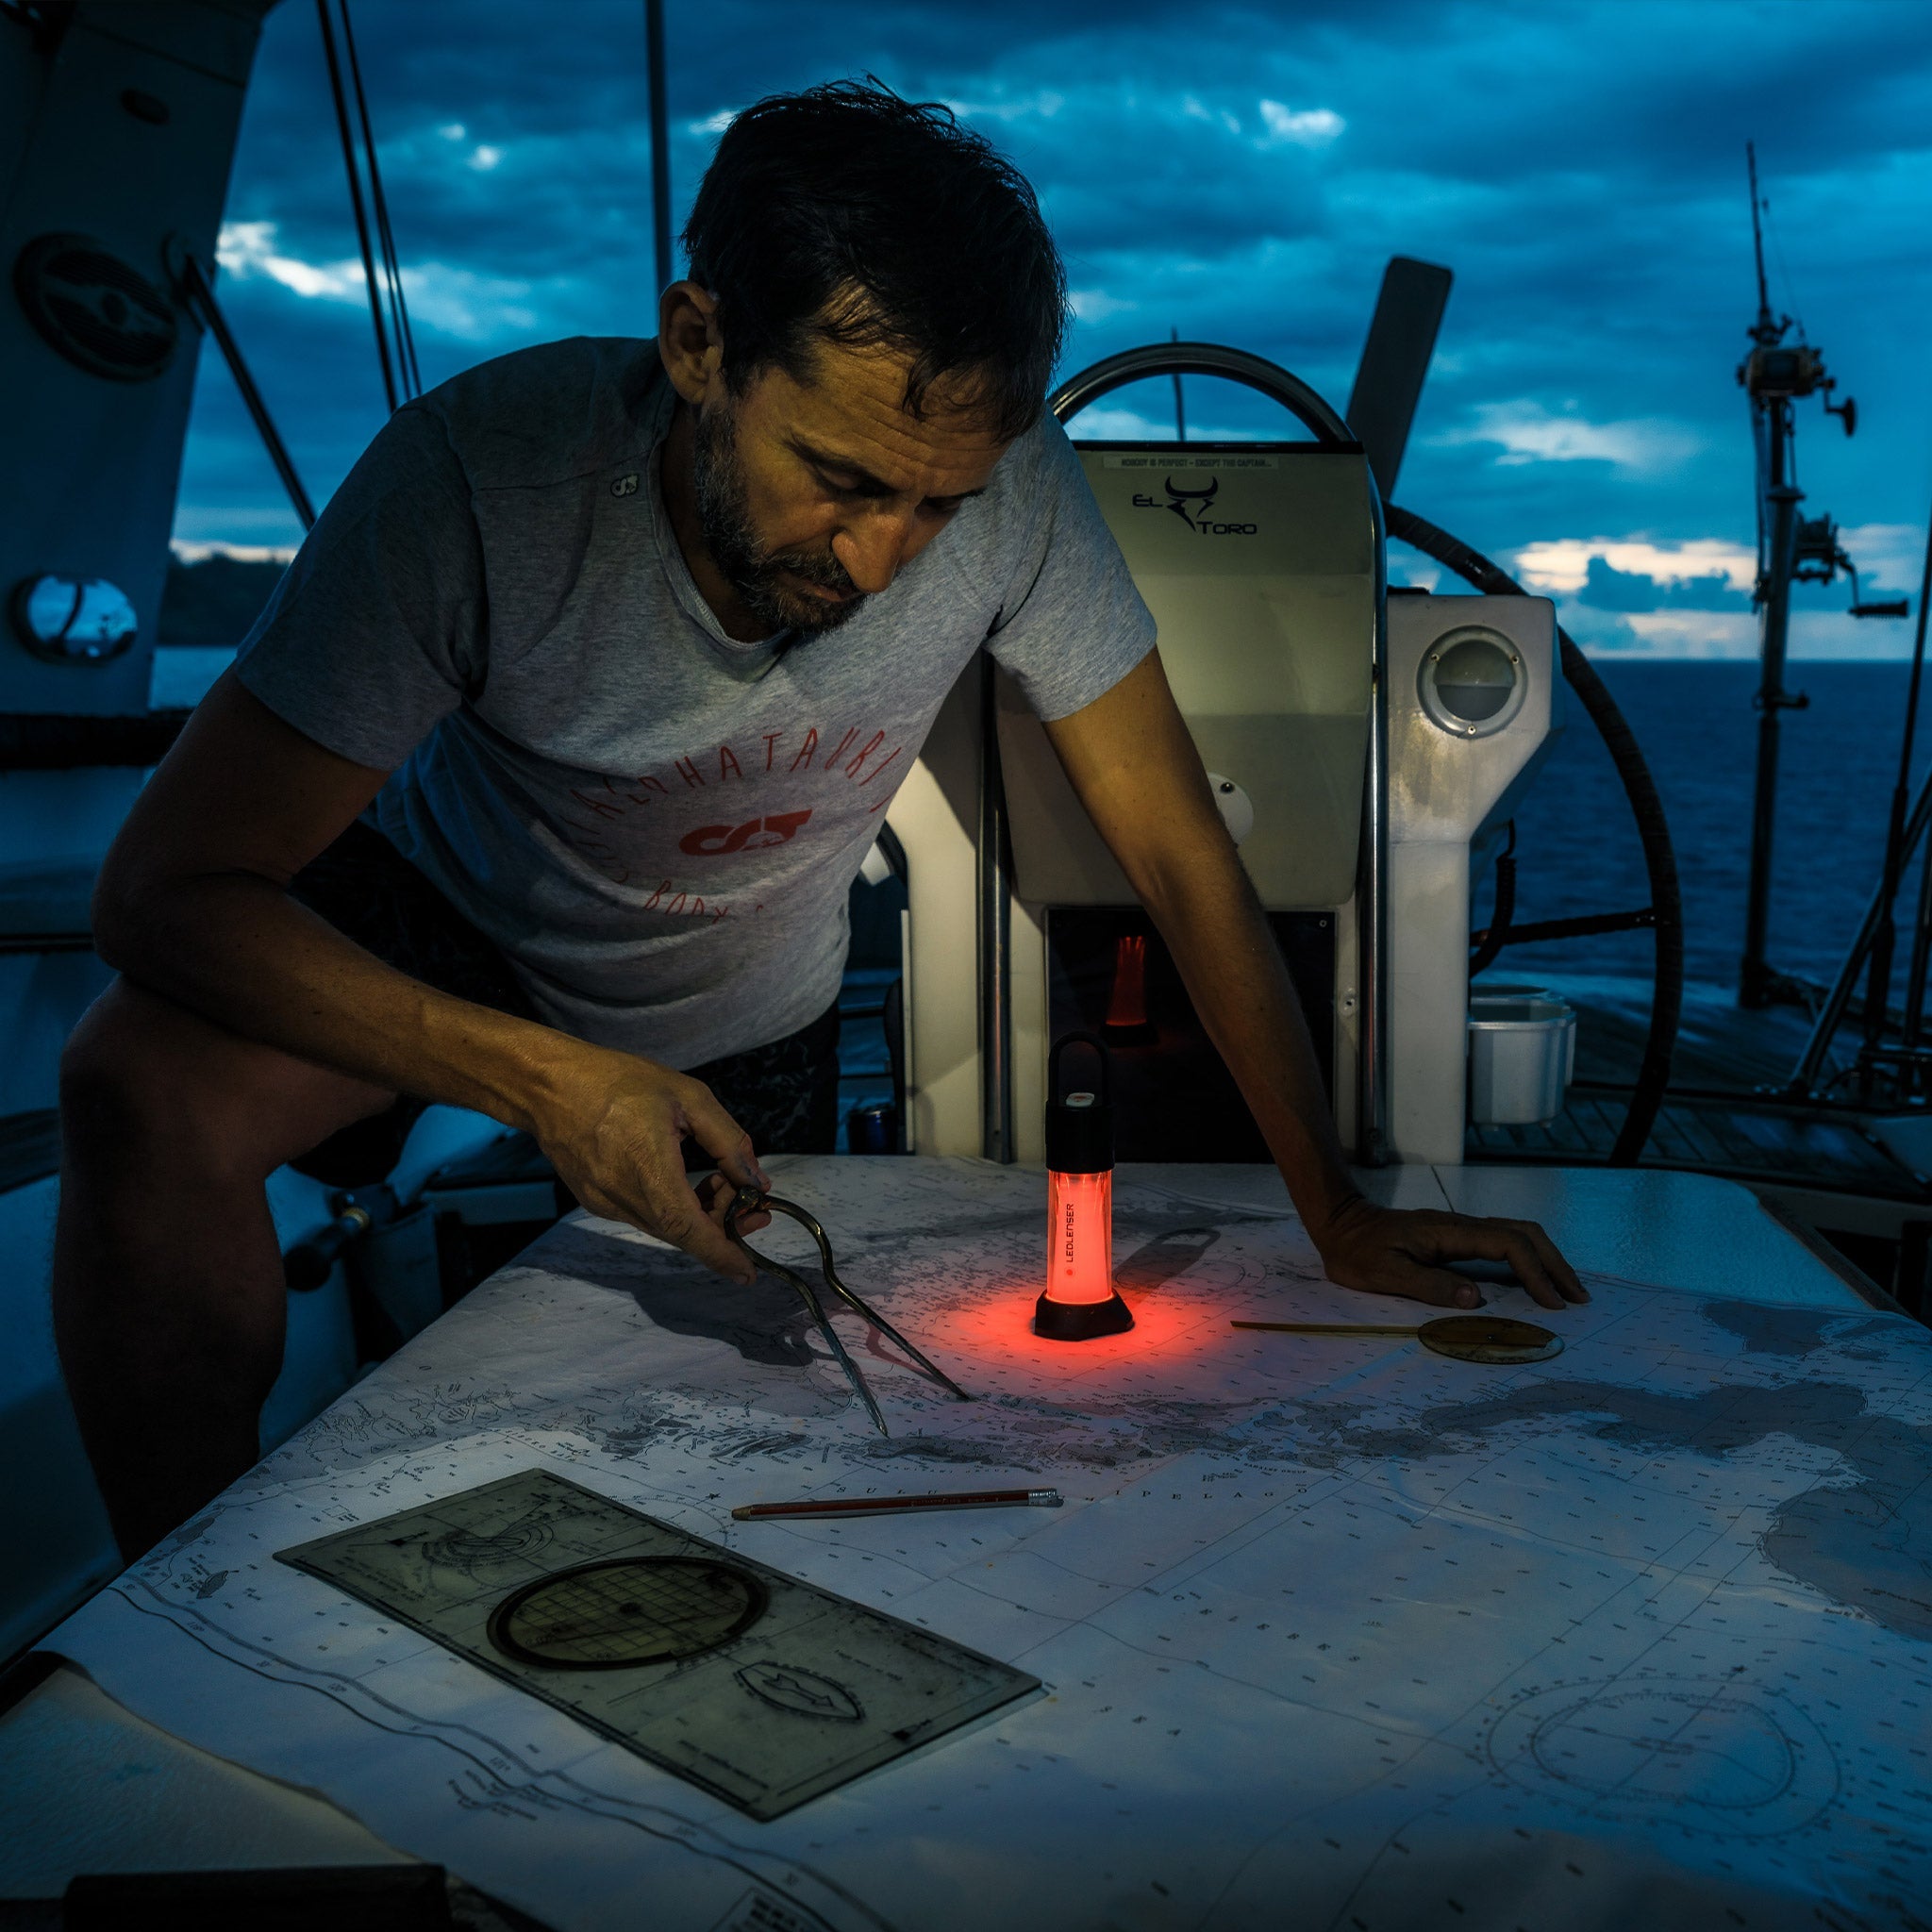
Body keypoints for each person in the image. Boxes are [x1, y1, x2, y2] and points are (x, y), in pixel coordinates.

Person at [54, 82, 1584, 1561]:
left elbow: (1183, 855)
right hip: (468, 926)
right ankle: (178, 1600)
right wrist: (547, 1083)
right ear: (700, 341)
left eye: (937, 506)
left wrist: (1336, 1206)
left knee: (767, 1456)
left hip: (752, 1001)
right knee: (136, 1080)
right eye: (840, 481)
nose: (877, 564)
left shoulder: (1018, 496)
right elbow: (164, 892)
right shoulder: (479, 481)